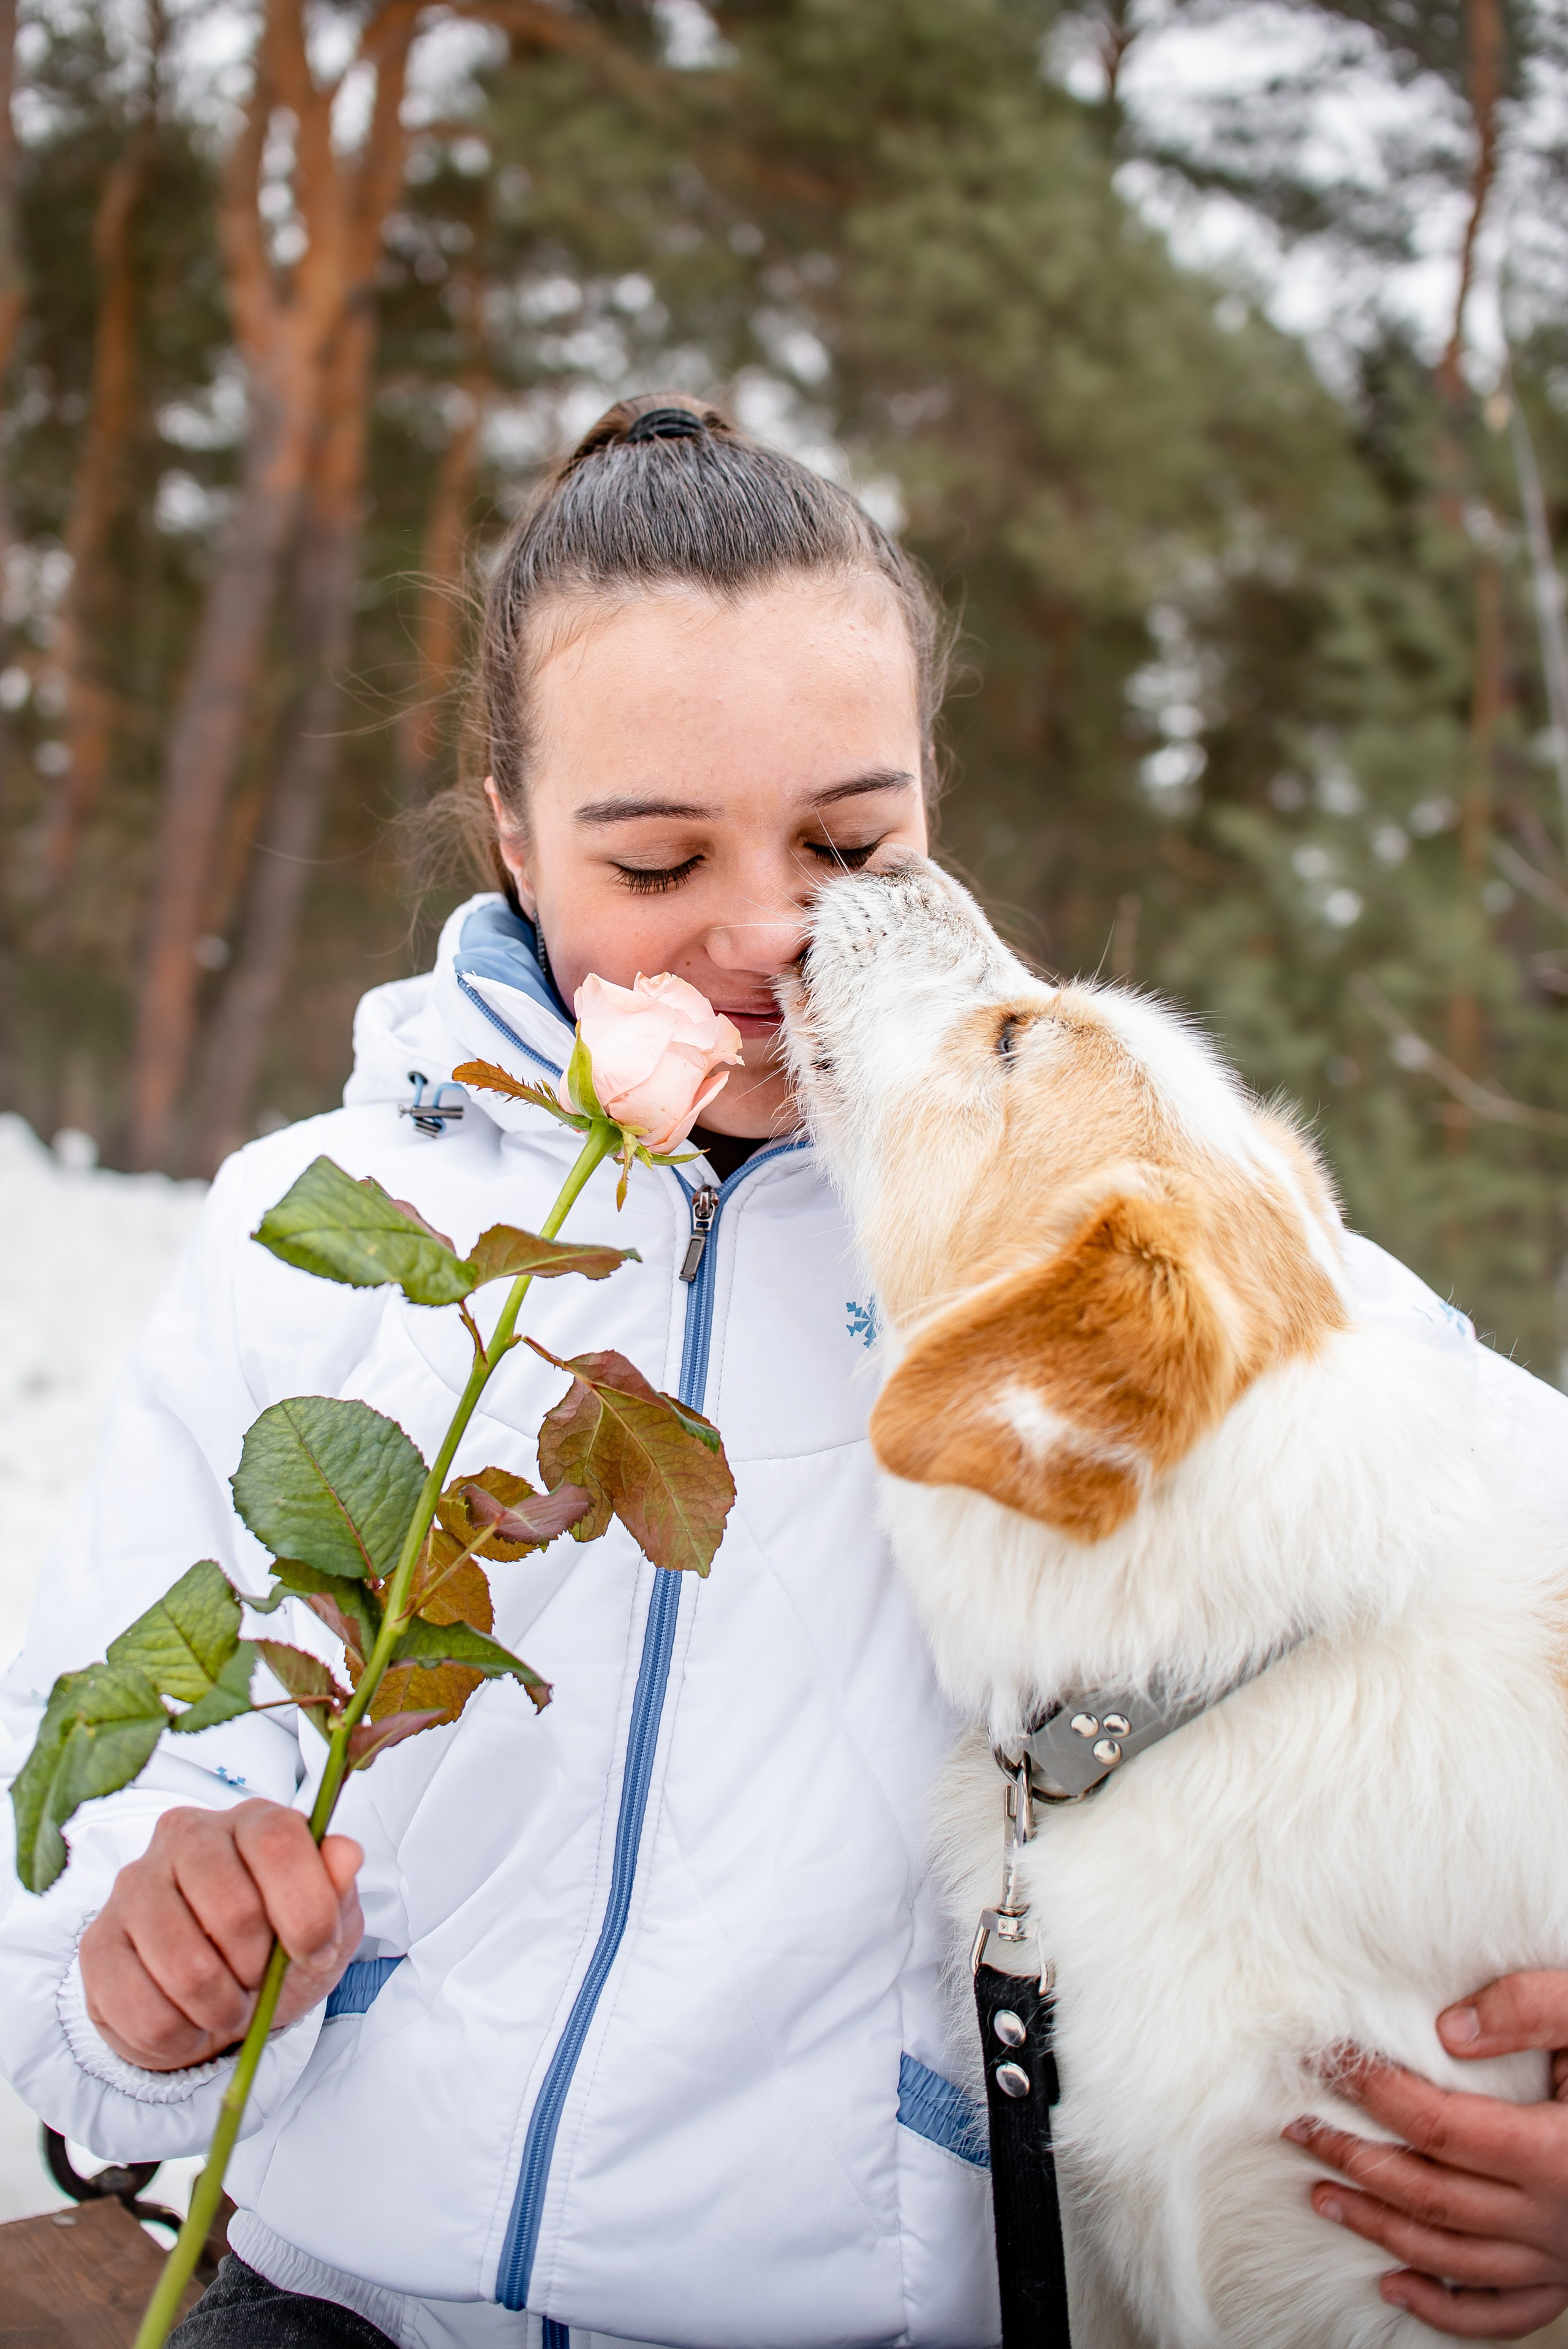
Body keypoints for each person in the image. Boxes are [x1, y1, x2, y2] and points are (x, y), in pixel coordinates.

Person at [1, 393, 1566, 2349]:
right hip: (338, 2311)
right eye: (656, 862)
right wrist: (134, 1981)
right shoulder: (317, 1237)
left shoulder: (1093, 1238)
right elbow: (85, 1855)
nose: (765, 940)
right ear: (510, 827)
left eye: (847, 840)